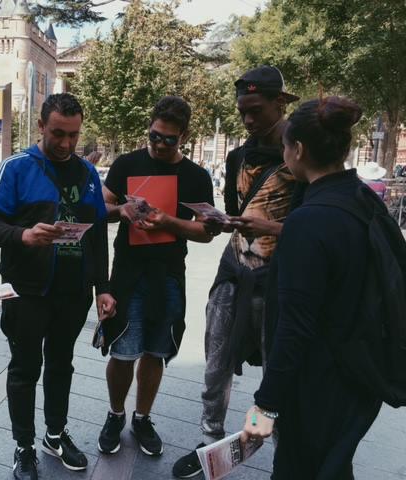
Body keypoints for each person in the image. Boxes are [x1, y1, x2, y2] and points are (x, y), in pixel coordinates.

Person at [240, 96, 383, 479]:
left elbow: (295, 326)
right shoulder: (363, 200)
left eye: (286, 146)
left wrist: (264, 408)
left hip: (316, 384)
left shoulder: (307, 222)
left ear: (298, 150)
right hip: (359, 377)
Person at [173, 66, 301, 478]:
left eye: (256, 110)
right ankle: (209, 442)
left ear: (280, 103)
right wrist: (218, 221)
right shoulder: (238, 156)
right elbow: (234, 211)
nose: (247, 119)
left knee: (279, 374)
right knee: (216, 364)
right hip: (233, 274)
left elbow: (317, 226)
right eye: (242, 111)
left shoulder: (301, 154)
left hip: (282, 283)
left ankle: (285, 453)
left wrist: (272, 228)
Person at [0, 93, 116, 480]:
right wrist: (23, 235)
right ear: (41, 126)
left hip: (72, 294)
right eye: (58, 133)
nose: (66, 143)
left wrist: (103, 287)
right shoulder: (16, 167)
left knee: (61, 365)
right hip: (27, 292)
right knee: (25, 369)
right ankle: (24, 446)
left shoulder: (88, 173)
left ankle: (55, 435)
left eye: (73, 135)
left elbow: (97, 234)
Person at [97, 96, 216, 458]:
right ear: (148, 128)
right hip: (128, 272)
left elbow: (206, 231)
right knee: (123, 351)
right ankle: (115, 415)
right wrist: (121, 209)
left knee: (155, 351)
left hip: (169, 275)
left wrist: (168, 222)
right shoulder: (127, 164)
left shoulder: (196, 176)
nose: (161, 145)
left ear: (185, 136)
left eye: (169, 139)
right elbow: (100, 206)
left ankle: (142, 418)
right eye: (155, 136)